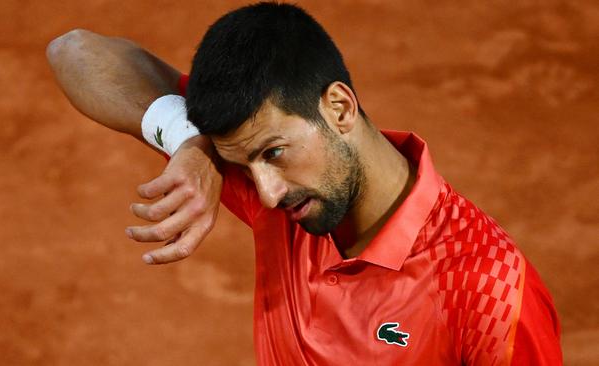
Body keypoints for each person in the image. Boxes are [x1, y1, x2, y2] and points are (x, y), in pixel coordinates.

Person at [47, 2, 562, 365]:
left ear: (339, 107)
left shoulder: (489, 290)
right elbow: (74, 52)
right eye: (246, 165)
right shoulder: (276, 182)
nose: (266, 193)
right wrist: (190, 143)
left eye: (274, 153)